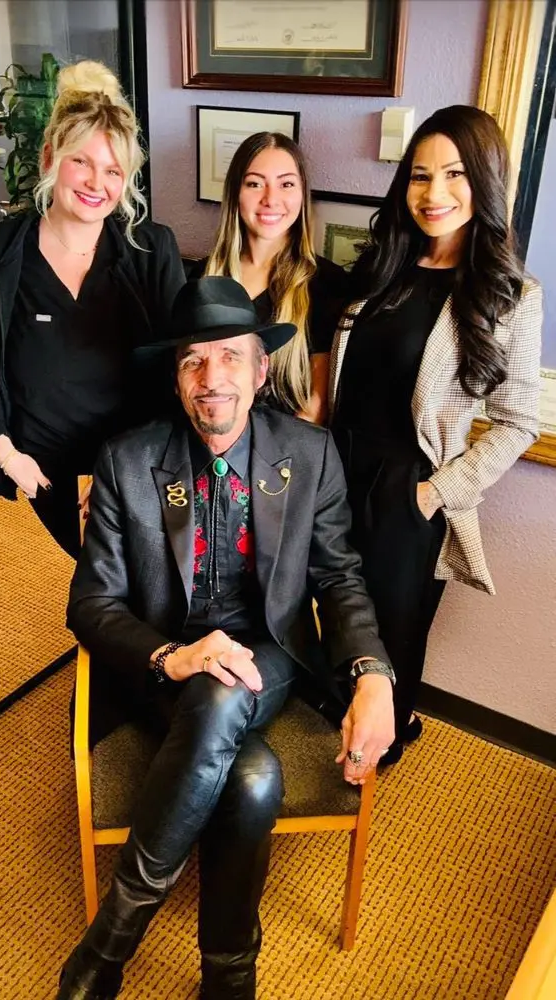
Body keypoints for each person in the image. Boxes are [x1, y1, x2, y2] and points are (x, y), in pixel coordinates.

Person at [56, 276, 395, 1000]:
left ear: (261, 368)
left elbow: (339, 579)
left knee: (222, 688)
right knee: (254, 777)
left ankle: (108, 947)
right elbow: (90, 603)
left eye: (230, 357)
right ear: (176, 379)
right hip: (161, 662)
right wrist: (171, 655)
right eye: (193, 362)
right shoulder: (128, 460)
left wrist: (371, 672)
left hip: (266, 656)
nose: (213, 379)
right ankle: (228, 975)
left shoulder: (308, 454)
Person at [329, 105, 542, 766]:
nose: (432, 193)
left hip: (406, 486)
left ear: (483, 181)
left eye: (453, 174)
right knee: (320, 607)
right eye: (419, 176)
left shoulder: (509, 295)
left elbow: (517, 423)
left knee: (390, 631)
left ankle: (379, 746)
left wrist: (433, 494)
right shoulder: (379, 266)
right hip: (332, 466)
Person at [0, 60, 185, 558]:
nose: (96, 183)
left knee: (150, 575)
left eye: (113, 170)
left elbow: (177, 365)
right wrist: (4, 451)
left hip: (137, 461)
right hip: (46, 464)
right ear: (52, 156)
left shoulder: (151, 250)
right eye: (83, 162)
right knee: (97, 571)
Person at [192, 131, 347, 424]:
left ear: (303, 194)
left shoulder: (327, 283)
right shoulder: (202, 278)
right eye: (254, 184)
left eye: (286, 184)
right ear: (235, 194)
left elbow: (316, 405)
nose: (270, 199)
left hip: (283, 458)